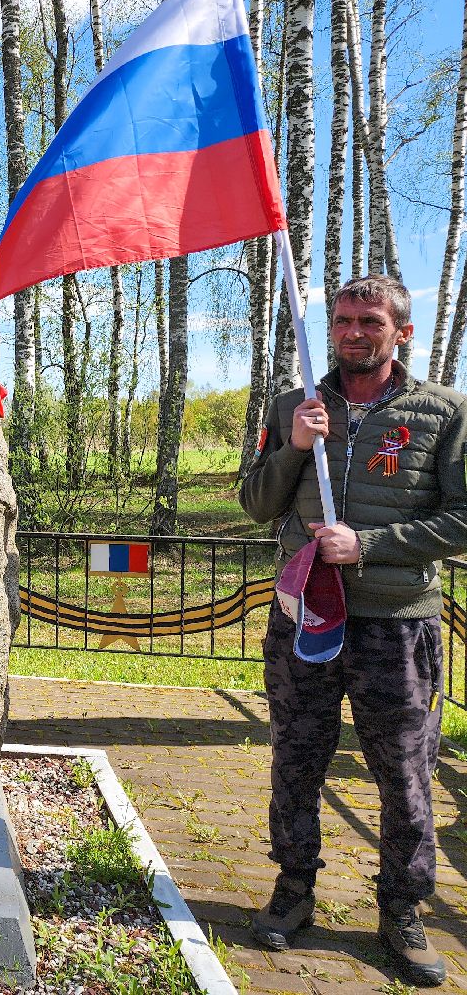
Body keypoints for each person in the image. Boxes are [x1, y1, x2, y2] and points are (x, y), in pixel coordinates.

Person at [240, 276, 465, 987]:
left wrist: (368, 544)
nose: (353, 333)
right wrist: (294, 446)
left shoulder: (443, 412)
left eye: (370, 321)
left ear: (401, 331)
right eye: (342, 321)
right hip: (306, 615)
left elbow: (462, 517)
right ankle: (293, 888)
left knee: (404, 772)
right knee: (296, 758)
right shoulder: (295, 405)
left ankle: (402, 909)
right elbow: (257, 504)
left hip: (396, 626)